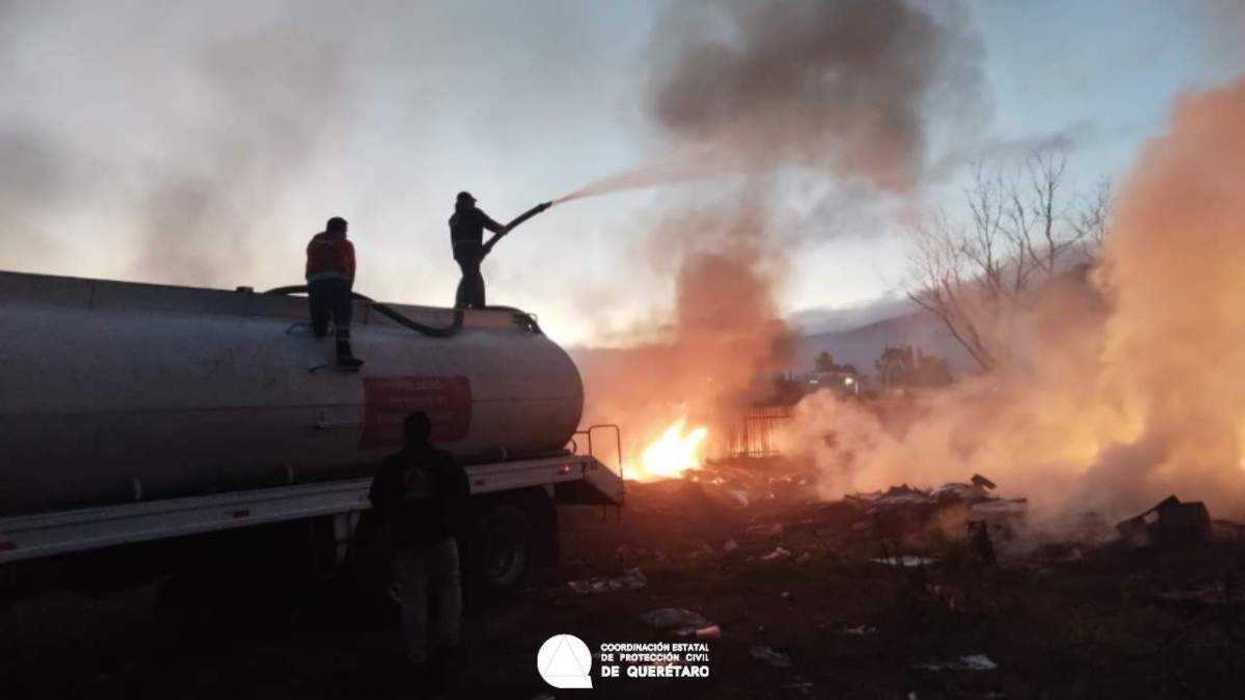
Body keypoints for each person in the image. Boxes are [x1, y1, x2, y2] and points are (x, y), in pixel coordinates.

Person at [368, 412, 470, 692]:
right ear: (429, 432)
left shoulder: (392, 465)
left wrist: (396, 521)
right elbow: (463, 492)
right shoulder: (444, 461)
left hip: (407, 543)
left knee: (413, 599)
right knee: (450, 590)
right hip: (441, 539)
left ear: (405, 434)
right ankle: (449, 643)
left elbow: (377, 499)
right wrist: (450, 522)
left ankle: (417, 655)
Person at [448, 192, 551, 309]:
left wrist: (483, 249)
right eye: (471, 201)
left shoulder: (454, 218)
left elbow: (465, 237)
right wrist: (502, 229)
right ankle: (467, 305)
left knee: (471, 276)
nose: (473, 203)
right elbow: (490, 224)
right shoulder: (474, 213)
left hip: (461, 253)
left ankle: (471, 305)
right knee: (472, 277)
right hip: (471, 251)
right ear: (466, 202)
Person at [305, 216, 363, 368]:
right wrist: (348, 291)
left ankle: (320, 329)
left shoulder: (314, 243)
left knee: (320, 323)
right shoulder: (346, 245)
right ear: (341, 230)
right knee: (342, 317)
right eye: (345, 231)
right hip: (338, 284)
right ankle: (344, 354)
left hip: (315, 285)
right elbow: (351, 269)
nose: (346, 234)